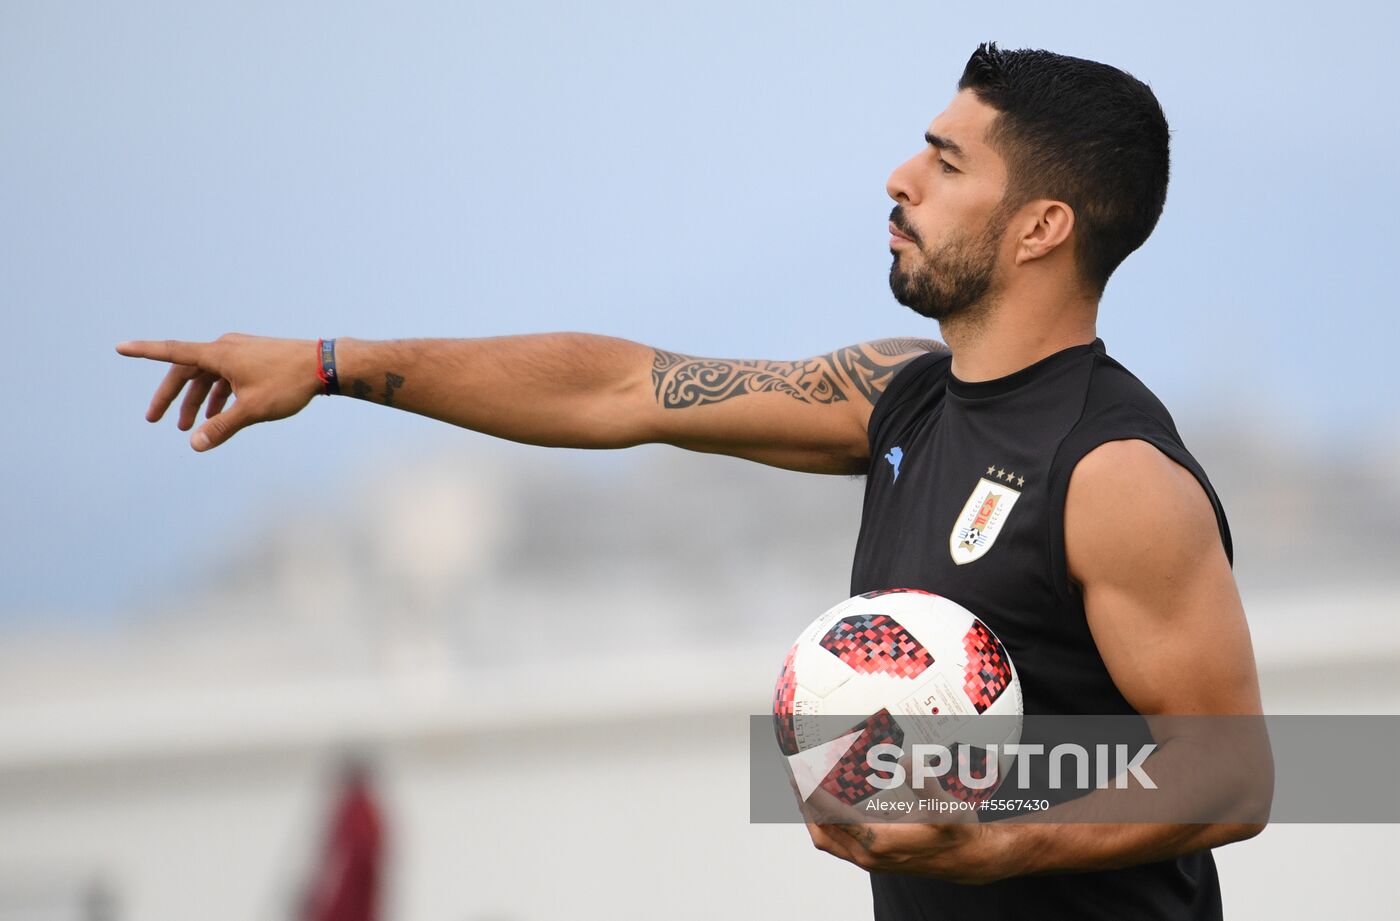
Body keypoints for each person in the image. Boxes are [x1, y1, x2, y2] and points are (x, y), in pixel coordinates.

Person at [118, 41, 1268, 921]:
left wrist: (1002, 835)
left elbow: (1235, 773)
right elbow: (618, 388)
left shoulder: (1111, 472)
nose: (899, 177)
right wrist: (329, 364)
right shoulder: (899, 395)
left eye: (946, 160)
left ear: (1040, 228)